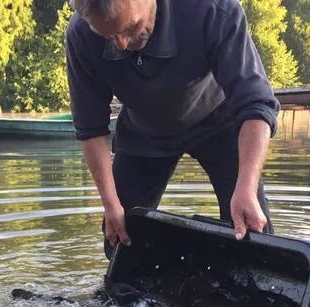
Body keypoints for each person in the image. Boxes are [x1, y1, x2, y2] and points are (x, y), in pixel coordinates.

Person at [66, 0, 279, 258]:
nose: (122, 44)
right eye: (109, 35)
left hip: (218, 122)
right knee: (119, 237)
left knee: (253, 230)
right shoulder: (80, 32)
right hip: (143, 131)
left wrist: (246, 186)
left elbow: (257, 103)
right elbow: (91, 128)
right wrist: (111, 204)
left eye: (131, 27)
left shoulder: (212, 8)